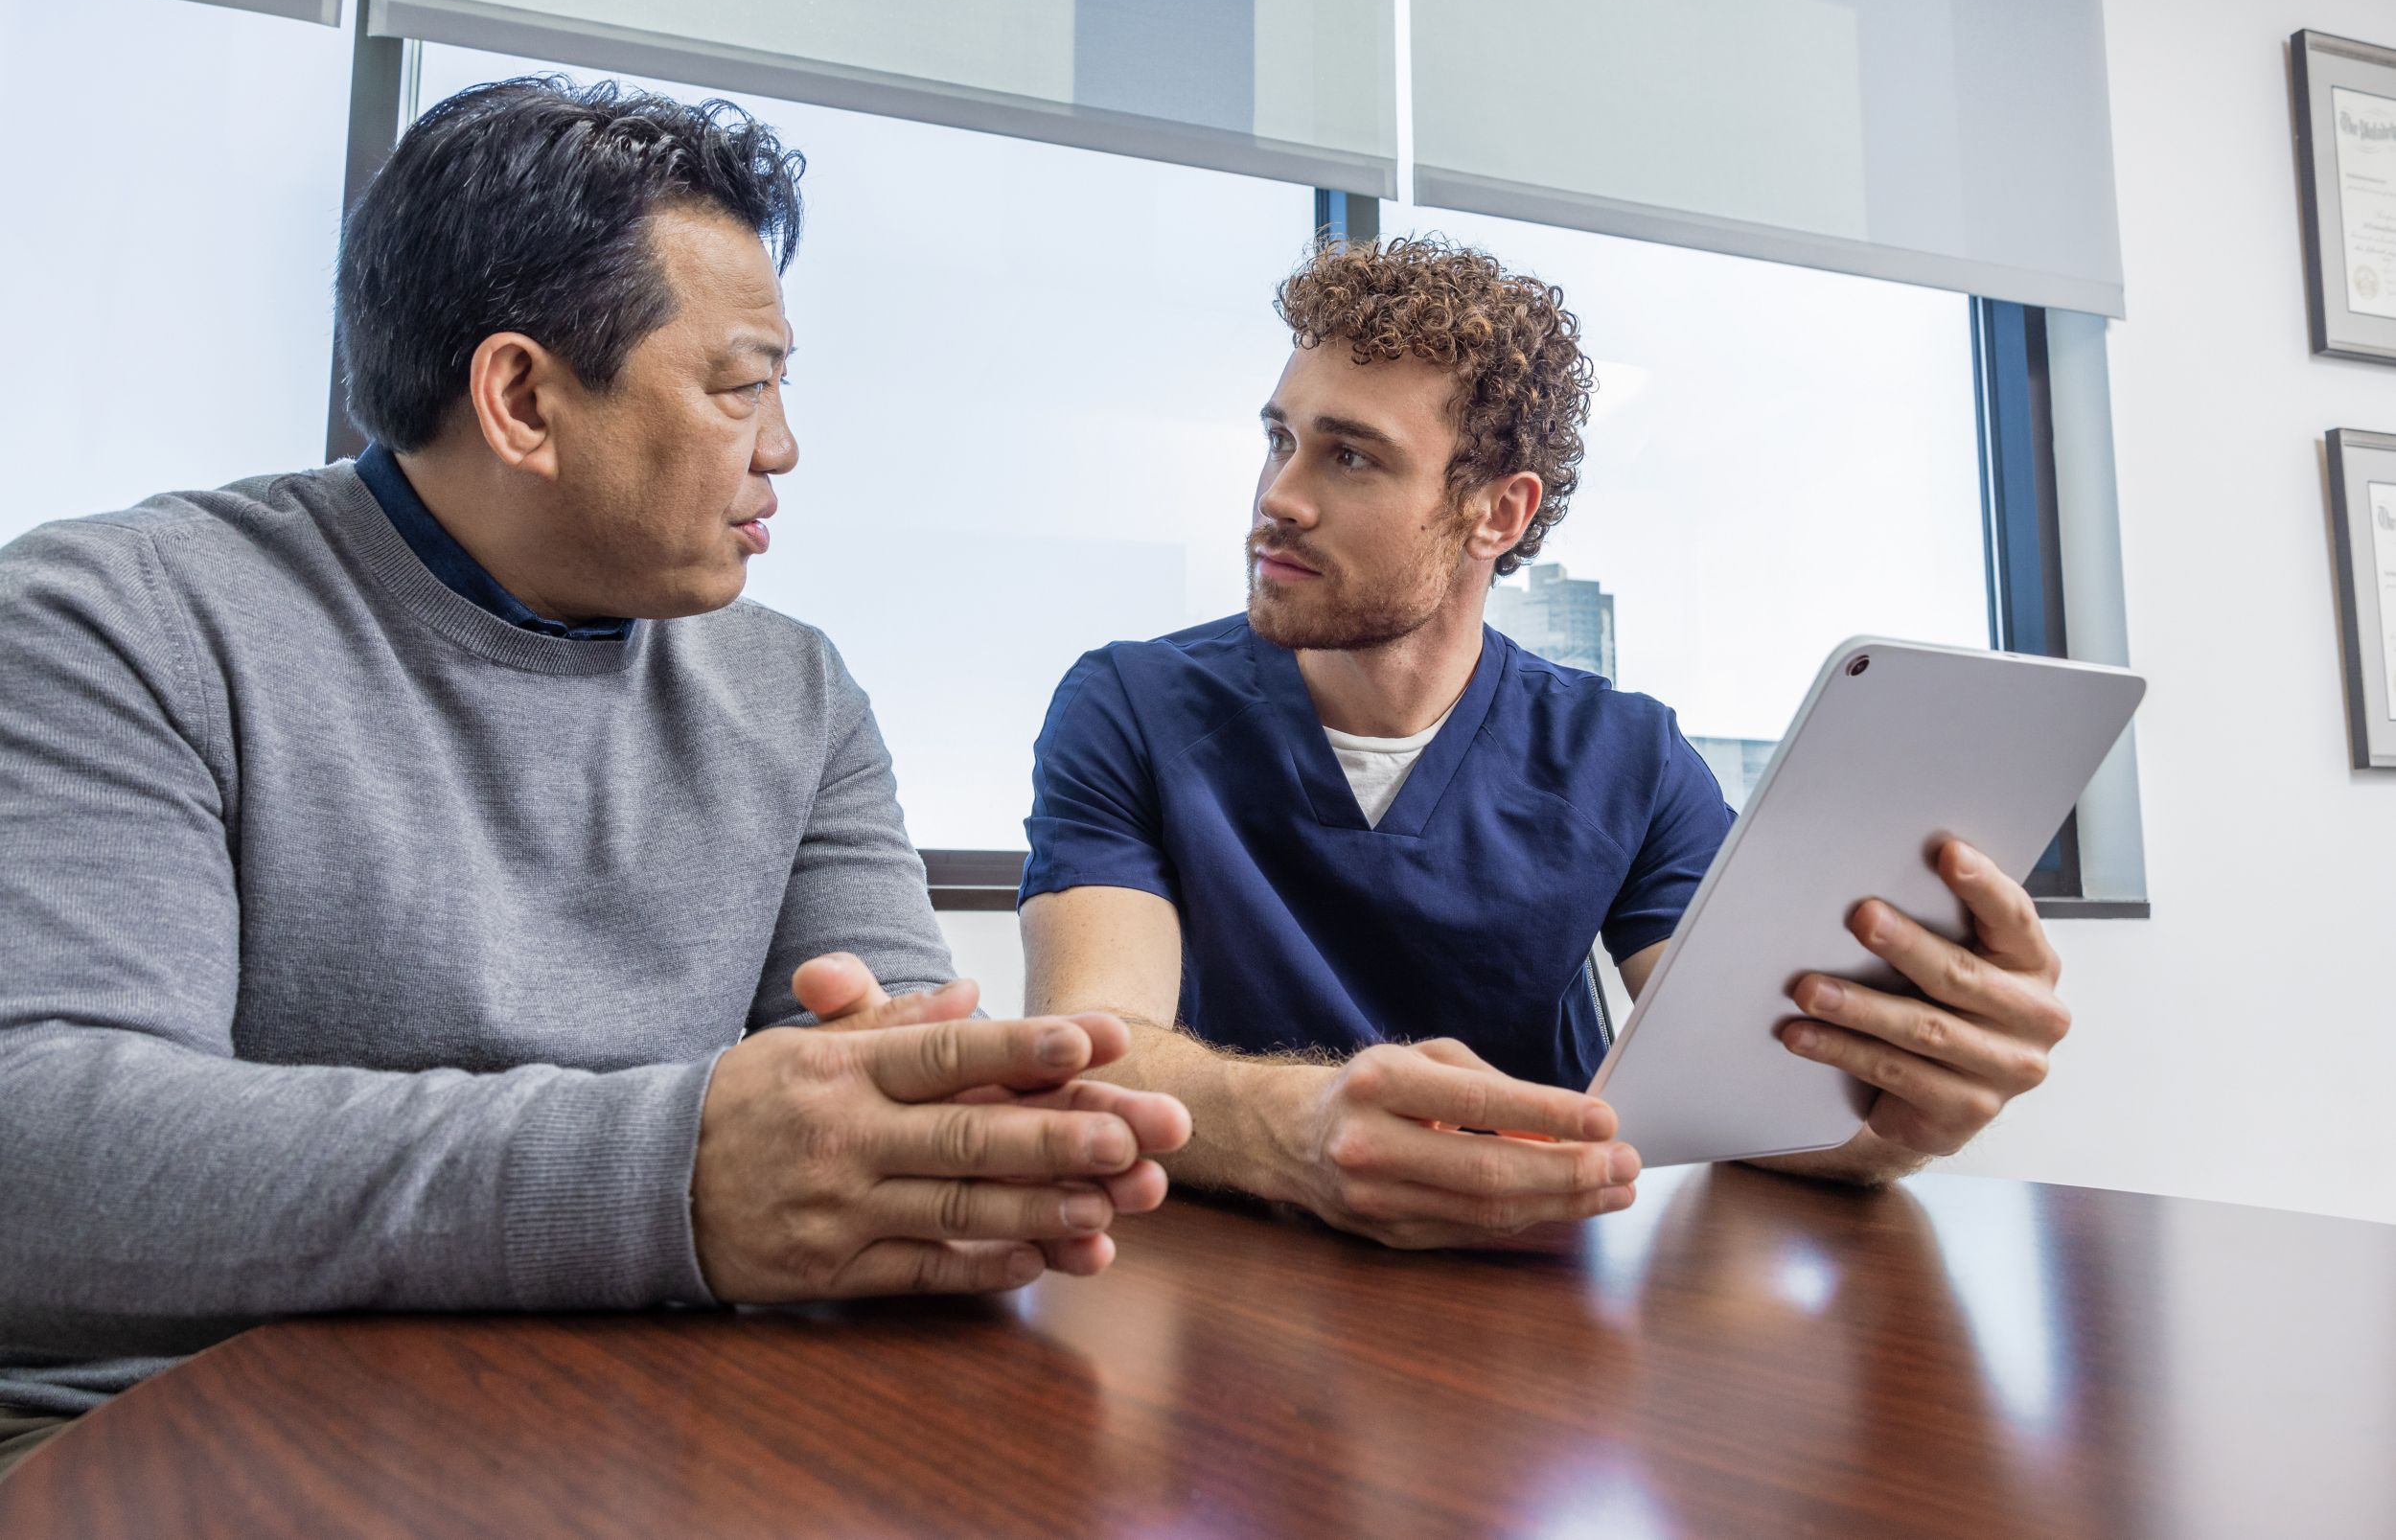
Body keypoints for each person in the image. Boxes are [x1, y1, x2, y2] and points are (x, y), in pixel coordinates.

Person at [0, 77, 1188, 1480]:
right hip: (161, 1428)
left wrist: (938, 1146)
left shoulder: (793, 693)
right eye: (743, 386)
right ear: (521, 398)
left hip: (642, 1413)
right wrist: (670, 1173)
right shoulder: (117, 621)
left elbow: (879, 1094)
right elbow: (45, 1146)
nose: (784, 448)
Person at [1004, 237, 2070, 1251]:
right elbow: (1093, 1052)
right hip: (1225, 1306)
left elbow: (1763, 1104)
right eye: (1281, 439)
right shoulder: (1128, 705)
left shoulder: (1627, 757)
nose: (1278, 500)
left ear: (1496, 515)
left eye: (1351, 459)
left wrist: (1906, 1116)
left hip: (1544, 1301)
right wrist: (1302, 1129)